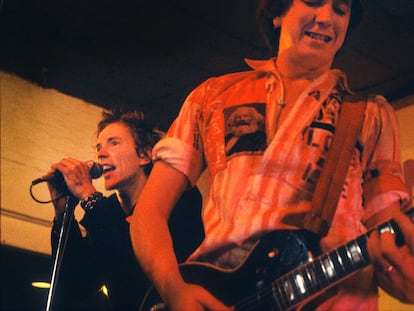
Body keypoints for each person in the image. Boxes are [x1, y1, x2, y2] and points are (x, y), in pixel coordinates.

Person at [129, 1, 414, 310]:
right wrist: (173, 288)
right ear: (277, 13)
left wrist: (402, 275)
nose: (327, 18)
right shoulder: (212, 96)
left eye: (341, 9)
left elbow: (388, 232)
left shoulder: (372, 114)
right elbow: (149, 211)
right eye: (315, 1)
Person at [45, 110, 204, 310]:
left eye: (114, 142)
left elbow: (135, 264)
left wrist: (89, 195)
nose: (101, 153)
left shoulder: (178, 197)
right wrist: (63, 217)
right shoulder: (109, 212)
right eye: (99, 147)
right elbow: (76, 287)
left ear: (145, 155)